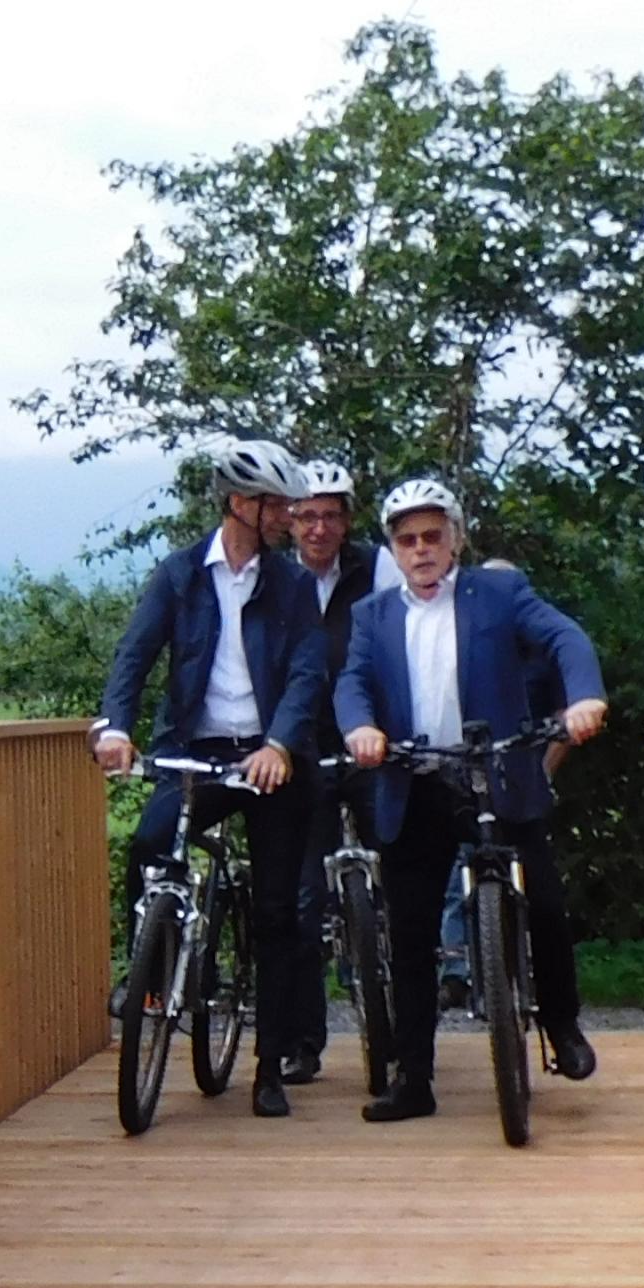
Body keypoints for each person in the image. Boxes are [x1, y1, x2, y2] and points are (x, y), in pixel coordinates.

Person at [333, 477, 608, 1123]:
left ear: (454, 538)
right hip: (415, 779)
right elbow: (352, 682)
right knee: (410, 934)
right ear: (392, 549)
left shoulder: (499, 593)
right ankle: (413, 1078)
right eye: (407, 540)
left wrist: (584, 696)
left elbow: (564, 637)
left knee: (545, 901)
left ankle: (562, 1025)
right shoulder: (373, 615)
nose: (421, 549)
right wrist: (360, 728)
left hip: (496, 772)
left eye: (432, 536)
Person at [96, 439, 332, 1118]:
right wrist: (115, 727)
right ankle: (151, 977)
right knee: (149, 845)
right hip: (195, 751)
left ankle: (269, 1067)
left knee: (278, 912)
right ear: (239, 503)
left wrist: (281, 743)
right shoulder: (180, 575)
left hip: (268, 758)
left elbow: (308, 672)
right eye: (276, 505)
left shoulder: (291, 585)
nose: (289, 516)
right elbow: (134, 656)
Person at [267, 460, 376, 1086]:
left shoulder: (377, 570)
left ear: (347, 520)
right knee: (302, 899)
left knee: (401, 871)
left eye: (330, 515)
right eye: (306, 516)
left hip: (370, 742)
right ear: (289, 520)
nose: (318, 528)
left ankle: (399, 1027)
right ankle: (302, 1041)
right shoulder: (274, 579)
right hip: (301, 749)